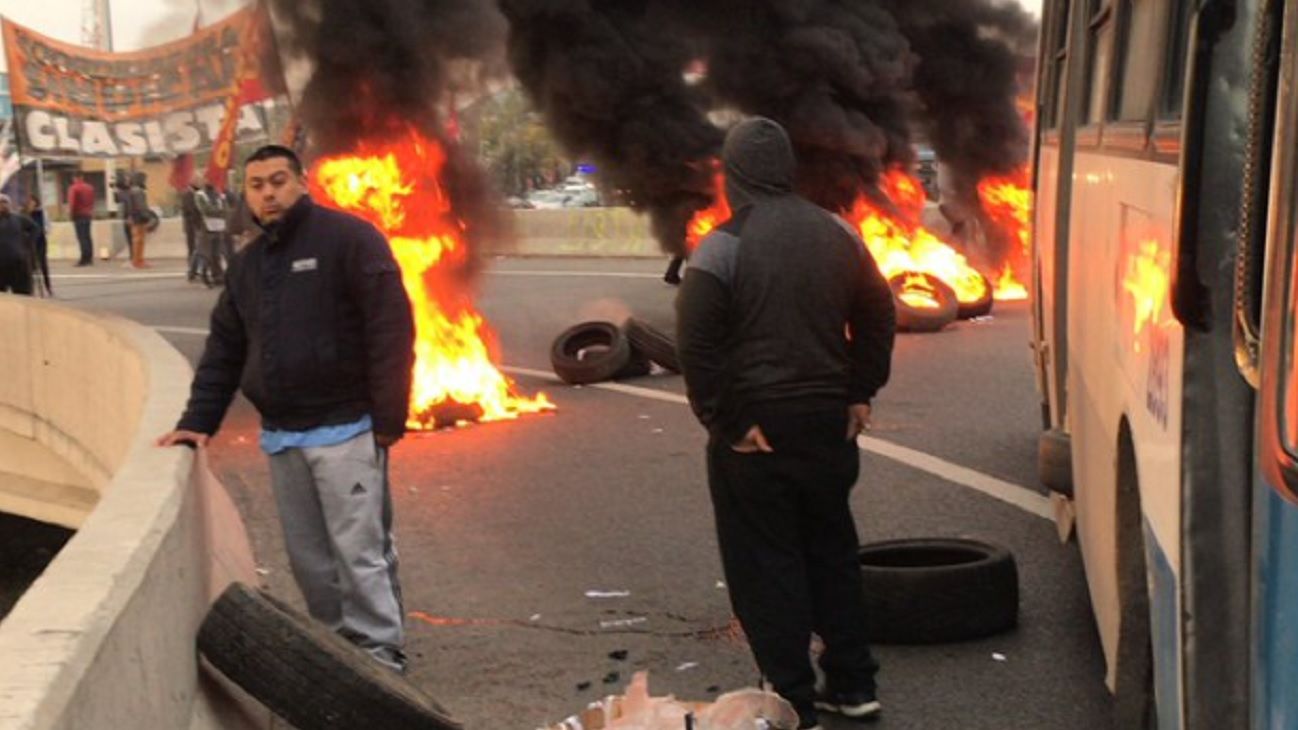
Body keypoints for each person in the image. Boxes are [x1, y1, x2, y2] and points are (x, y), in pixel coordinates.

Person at [156, 145, 416, 673]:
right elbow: (225, 349)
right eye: (256, 185)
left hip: (348, 429)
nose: (268, 193)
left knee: (359, 550)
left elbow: (391, 328)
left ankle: (380, 652)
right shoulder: (249, 265)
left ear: (301, 182)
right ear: (245, 194)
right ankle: (337, 648)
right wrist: (195, 423)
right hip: (283, 438)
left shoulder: (349, 240)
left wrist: (389, 418)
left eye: (278, 181)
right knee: (309, 561)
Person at [676, 118, 897, 730]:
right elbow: (879, 309)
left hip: (759, 433)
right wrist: (860, 390)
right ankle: (854, 685)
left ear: (735, 175)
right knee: (832, 551)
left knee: (766, 563)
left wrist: (730, 423)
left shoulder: (722, 246)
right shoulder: (839, 233)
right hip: (828, 425)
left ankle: (792, 699)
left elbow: (696, 346)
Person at [0, 194, 38, 295]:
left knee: (23, 295)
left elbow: (34, 228)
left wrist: (28, 243)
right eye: (0, 202)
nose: (3, 205)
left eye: (5, 202)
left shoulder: (18, 218)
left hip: (18, 264)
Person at [193, 180, 227, 286]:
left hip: (219, 227)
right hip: (206, 228)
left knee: (217, 254)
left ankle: (217, 276)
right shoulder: (200, 195)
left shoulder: (219, 195)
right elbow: (205, 210)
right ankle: (204, 276)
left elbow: (225, 210)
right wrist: (218, 212)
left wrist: (217, 212)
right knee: (207, 254)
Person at [24, 196, 52, 296]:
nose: (31, 204)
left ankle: (48, 288)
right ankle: (30, 289)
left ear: (36, 202)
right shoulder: (26, 215)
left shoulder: (42, 213)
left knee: (43, 264)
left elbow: (48, 226)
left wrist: (44, 230)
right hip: (30, 243)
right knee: (30, 267)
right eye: (29, 203)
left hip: (40, 242)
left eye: (33, 202)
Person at [67, 173, 96, 267]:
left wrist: (71, 214)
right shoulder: (90, 187)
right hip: (88, 214)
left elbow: (72, 203)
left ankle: (84, 259)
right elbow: (92, 201)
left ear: (74, 178)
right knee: (87, 236)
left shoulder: (74, 188)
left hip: (78, 215)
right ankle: (89, 257)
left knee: (81, 237)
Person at [105, 170, 133, 262]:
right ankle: (133, 255)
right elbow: (117, 200)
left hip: (129, 216)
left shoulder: (128, 191)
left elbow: (125, 202)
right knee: (130, 237)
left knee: (131, 237)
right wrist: (114, 190)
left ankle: (134, 256)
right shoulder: (125, 190)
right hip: (127, 216)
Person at [181, 175, 204, 281]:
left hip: (196, 224)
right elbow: (191, 210)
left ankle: (194, 269)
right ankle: (192, 269)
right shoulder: (188, 194)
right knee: (193, 248)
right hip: (192, 225)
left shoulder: (196, 193)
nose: (200, 183)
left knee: (196, 248)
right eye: (198, 181)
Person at [127, 172, 151, 269]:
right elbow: (141, 206)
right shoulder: (138, 191)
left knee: (138, 240)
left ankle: (138, 259)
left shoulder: (133, 190)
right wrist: (146, 216)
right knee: (138, 240)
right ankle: (137, 260)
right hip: (139, 218)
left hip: (136, 217)